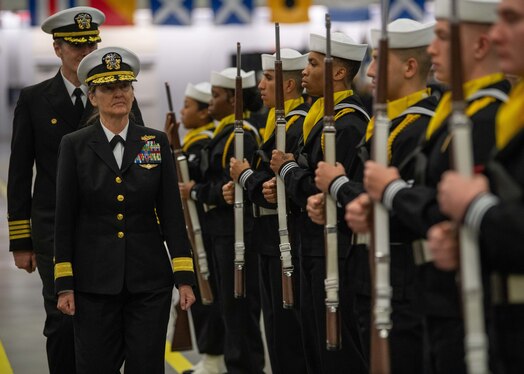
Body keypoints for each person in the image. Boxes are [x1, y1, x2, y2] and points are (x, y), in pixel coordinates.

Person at [360, 0, 510, 372]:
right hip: (436, 292)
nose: (432, 49)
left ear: (479, 47)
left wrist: (393, 193)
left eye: (442, 37)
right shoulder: (451, 117)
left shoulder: (491, 116)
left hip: (470, 300)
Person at [53, 46, 196, 374]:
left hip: (149, 281)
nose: (118, 93)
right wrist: (65, 283)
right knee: (95, 366)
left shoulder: (154, 143)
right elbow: (65, 219)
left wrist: (184, 278)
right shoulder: (74, 145)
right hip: (93, 283)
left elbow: (172, 214)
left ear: (133, 93)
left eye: (125, 87)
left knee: (146, 366)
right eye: (107, 88)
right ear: (92, 97)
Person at [310, 19, 437, 373]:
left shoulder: (421, 126)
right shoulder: (387, 123)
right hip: (369, 269)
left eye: (380, 60)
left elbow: (403, 207)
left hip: (403, 277)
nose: (371, 72)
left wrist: (337, 186)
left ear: (411, 67)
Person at [7, 7, 109, 374]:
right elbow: (19, 173)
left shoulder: (113, 92)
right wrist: (21, 240)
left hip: (104, 228)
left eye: (91, 44)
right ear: (57, 49)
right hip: (52, 230)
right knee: (62, 317)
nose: (85, 52)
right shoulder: (35, 99)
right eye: (76, 46)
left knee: (103, 318)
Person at [429, 0, 524, 371]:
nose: (497, 32)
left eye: (512, 20)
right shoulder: (511, 113)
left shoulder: (490, 114)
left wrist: (476, 209)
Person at [269, 32, 370, 373]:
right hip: (311, 242)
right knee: (313, 341)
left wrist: (288, 171)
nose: (304, 72)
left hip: (334, 248)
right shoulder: (319, 118)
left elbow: (322, 185)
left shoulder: (348, 123)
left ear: (339, 73)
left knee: (336, 346)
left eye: (312, 64)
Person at [223, 48, 309, 374]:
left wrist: (246, 177)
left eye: (269, 78)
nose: (260, 85)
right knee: (274, 327)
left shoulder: (298, 125)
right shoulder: (273, 122)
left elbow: (275, 189)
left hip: (287, 240)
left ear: (288, 86)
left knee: (289, 332)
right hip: (267, 239)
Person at [179, 67, 265, 374]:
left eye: (216, 97)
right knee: (227, 306)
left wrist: (199, 191)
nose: (211, 104)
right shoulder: (224, 133)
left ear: (233, 99)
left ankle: (244, 367)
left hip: (236, 232)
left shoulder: (242, 136)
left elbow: (229, 186)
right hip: (221, 231)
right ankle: (230, 364)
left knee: (238, 307)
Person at [175, 82, 225, 374]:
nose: (182, 111)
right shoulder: (193, 140)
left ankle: (213, 358)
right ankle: (211, 357)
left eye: (188, 106)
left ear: (206, 113)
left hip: (205, 229)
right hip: (196, 230)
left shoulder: (202, 142)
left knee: (207, 293)